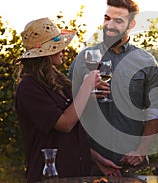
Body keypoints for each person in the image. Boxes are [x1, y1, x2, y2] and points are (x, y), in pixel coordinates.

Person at [69, 0, 158, 177]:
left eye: (118, 21)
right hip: (90, 164)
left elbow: (155, 112)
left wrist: (142, 150)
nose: (110, 25)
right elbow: (68, 110)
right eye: (107, 18)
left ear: (131, 25)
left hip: (132, 164)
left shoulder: (146, 61)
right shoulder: (83, 59)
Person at [14, 17, 102, 182]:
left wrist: (98, 159)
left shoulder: (59, 81)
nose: (63, 51)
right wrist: (86, 87)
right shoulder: (29, 87)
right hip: (49, 176)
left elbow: (72, 136)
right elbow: (64, 124)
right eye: (58, 47)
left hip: (76, 173)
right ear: (45, 53)